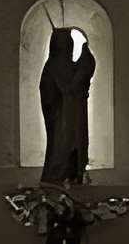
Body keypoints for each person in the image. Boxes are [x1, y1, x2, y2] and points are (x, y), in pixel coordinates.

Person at [36, 24, 96, 185]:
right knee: (61, 148)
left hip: (65, 116)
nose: (70, 48)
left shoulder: (59, 64)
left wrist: (84, 64)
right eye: (67, 44)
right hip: (60, 118)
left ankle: (70, 172)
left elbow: (73, 84)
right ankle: (61, 174)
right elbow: (70, 88)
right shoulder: (56, 65)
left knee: (66, 147)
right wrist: (85, 66)